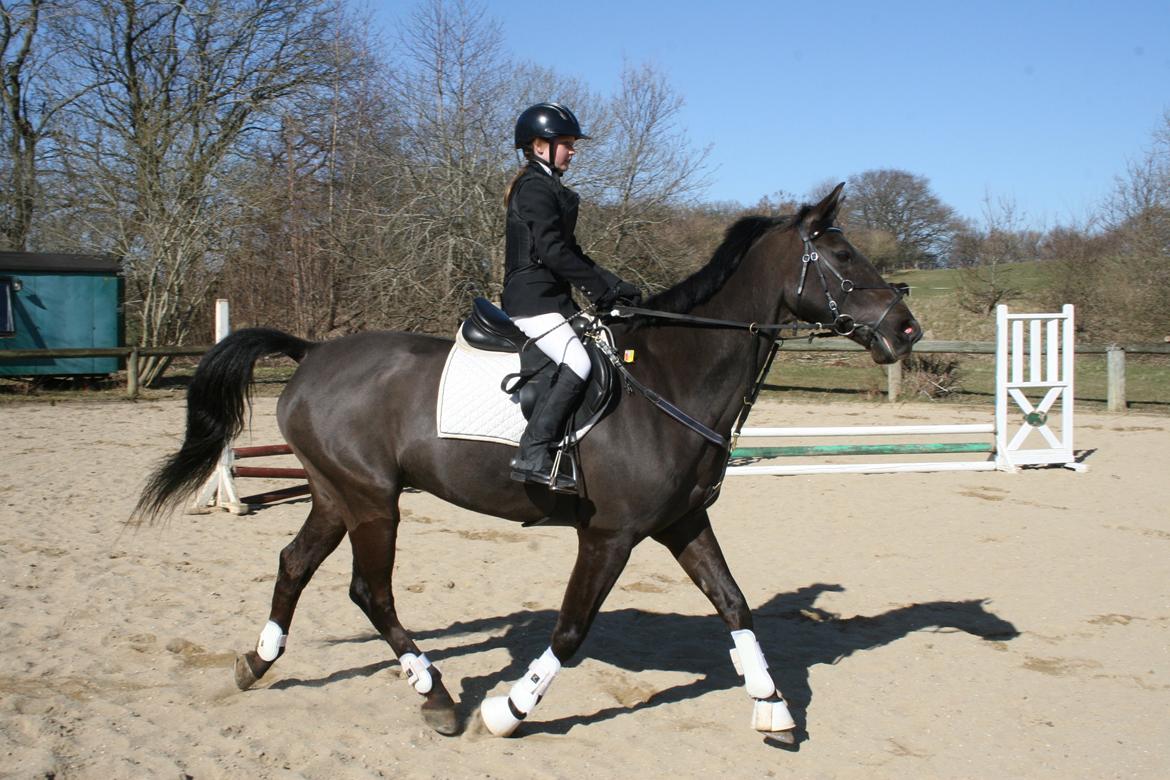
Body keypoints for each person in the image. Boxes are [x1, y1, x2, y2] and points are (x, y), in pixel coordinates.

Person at [502, 102, 642, 491]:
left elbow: (573, 254)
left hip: (553, 299)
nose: (573, 151)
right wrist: (599, 290)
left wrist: (616, 286)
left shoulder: (550, 188)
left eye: (571, 144)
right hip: (531, 299)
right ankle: (533, 452)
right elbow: (552, 253)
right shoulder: (533, 188)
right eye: (566, 143)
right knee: (578, 363)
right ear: (539, 145)